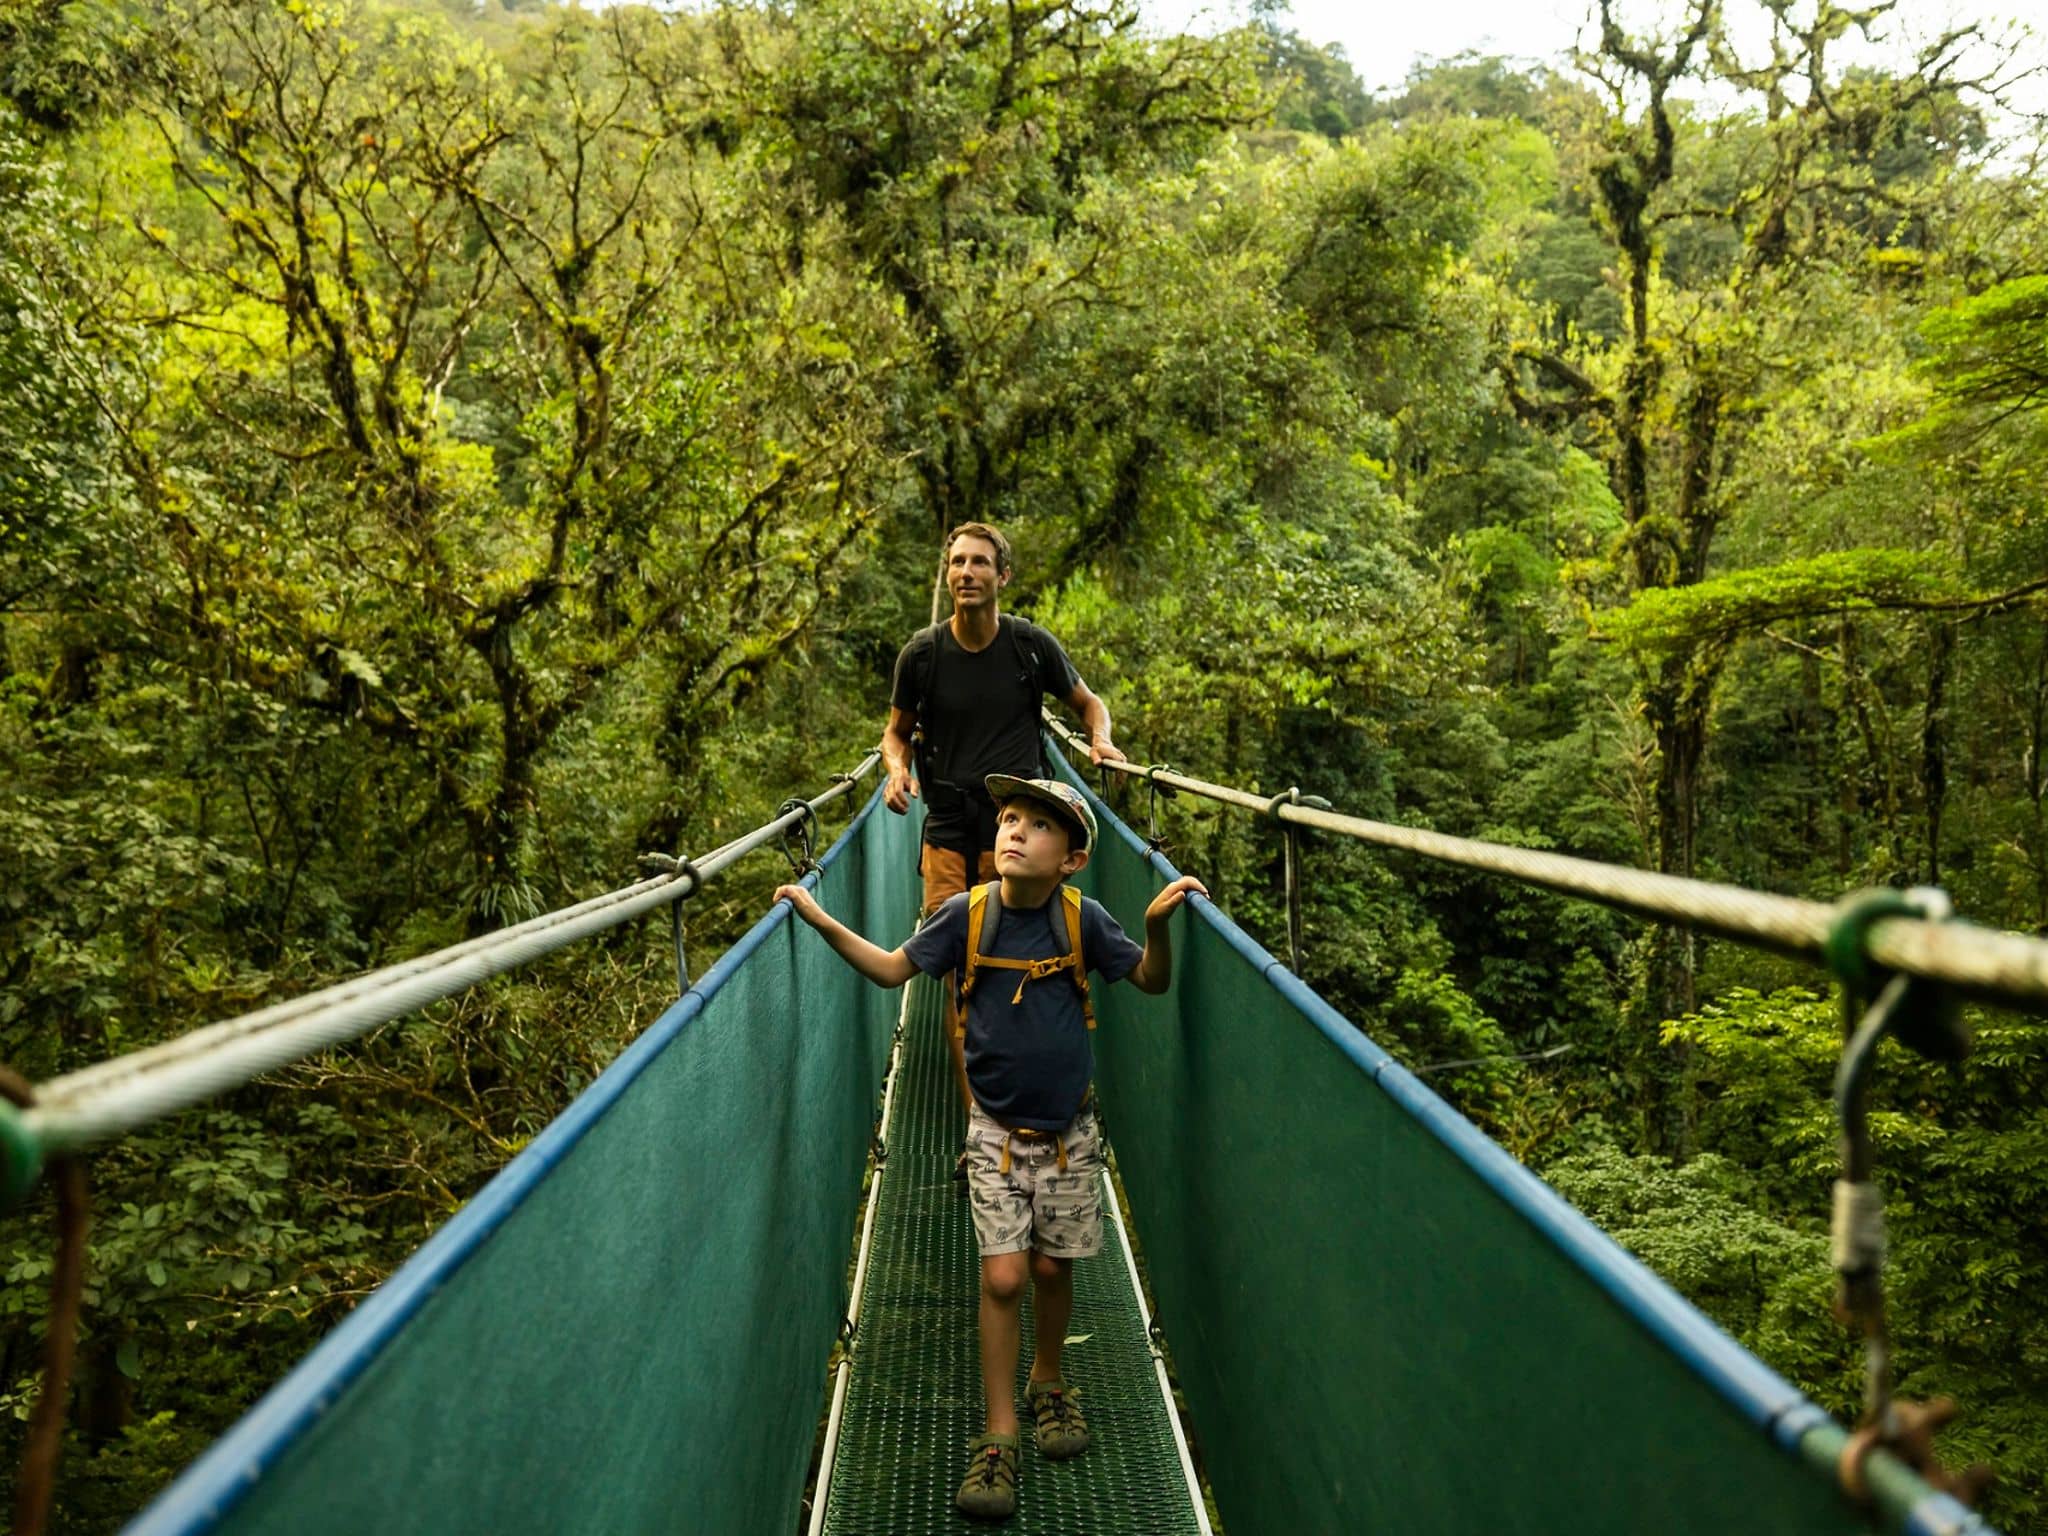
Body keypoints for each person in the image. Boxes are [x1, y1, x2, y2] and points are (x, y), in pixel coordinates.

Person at [775, 775, 1206, 1523]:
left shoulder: (1084, 919)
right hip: (995, 1133)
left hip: (1069, 1133)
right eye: (1009, 818)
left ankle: (1049, 1378)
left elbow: (1150, 980)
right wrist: (817, 918)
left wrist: (1156, 925)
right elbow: (891, 969)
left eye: (1039, 826)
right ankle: (1000, 1430)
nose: (1014, 831)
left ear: (1071, 860)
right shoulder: (964, 915)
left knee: (1052, 1267)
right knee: (1005, 1277)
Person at [880, 522, 1127, 1166]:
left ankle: (1028, 1105)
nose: (966, 572)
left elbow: (1089, 703)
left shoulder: (1029, 647)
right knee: (958, 975)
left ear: (1002, 576)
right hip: (946, 829)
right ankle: (982, 1131)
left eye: (980, 563)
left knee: (1006, 970)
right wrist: (896, 769)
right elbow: (896, 733)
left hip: (1016, 832)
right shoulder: (922, 655)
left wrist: (1100, 739)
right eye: (957, 562)